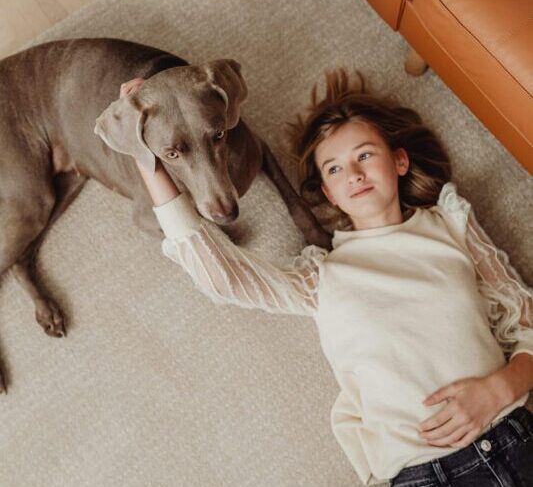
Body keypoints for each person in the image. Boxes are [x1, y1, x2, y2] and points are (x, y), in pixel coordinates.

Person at [118, 69, 533, 486]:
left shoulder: (451, 224)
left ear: (400, 161)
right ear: (330, 194)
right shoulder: (322, 276)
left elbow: (527, 323)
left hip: (515, 438)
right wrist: (145, 155)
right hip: (422, 474)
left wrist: (498, 390)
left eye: (365, 155)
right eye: (334, 169)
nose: (352, 173)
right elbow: (224, 279)